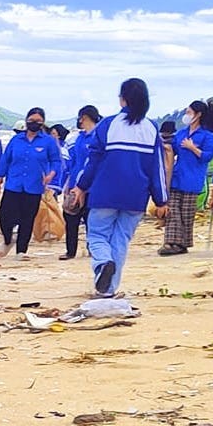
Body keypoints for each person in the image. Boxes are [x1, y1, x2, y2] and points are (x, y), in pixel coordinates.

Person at [74, 78, 167, 296]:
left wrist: (81, 186)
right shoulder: (151, 127)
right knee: (121, 240)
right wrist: (161, 199)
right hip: (136, 196)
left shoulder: (108, 124)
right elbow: (157, 167)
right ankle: (108, 289)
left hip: (105, 193)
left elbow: (93, 160)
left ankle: (103, 264)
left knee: (97, 236)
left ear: (123, 99)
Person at [0, 106, 59, 257]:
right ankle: (8, 239)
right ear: (26, 121)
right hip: (13, 184)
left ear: (43, 122)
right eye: (31, 120)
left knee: (27, 219)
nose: (34, 123)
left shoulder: (48, 142)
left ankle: (21, 250)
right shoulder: (16, 140)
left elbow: (56, 161)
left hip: (34, 186)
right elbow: (5, 160)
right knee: (4, 215)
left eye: (38, 121)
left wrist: (51, 174)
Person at [160, 100, 213, 256]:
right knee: (173, 211)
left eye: (188, 112)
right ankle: (172, 242)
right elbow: (173, 151)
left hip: (192, 179)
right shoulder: (181, 133)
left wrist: (193, 148)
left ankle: (182, 244)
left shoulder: (207, 137)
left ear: (198, 115)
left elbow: (207, 157)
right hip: (177, 177)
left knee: (186, 213)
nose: (186, 115)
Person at [60, 106, 102, 260]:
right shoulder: (79, 138)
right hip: (75, 183)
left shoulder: (98, 137)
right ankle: (70, 251)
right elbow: (74, 163)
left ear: (84, 117)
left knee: (92, 219)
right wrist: (68, 184)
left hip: (93, 186)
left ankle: (93, 249)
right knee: (70, 216)